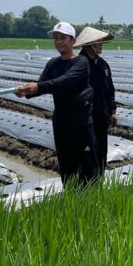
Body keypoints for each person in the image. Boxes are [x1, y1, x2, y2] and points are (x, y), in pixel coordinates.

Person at [17, 22, 100, 186]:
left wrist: (38, 86)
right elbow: (43, 85)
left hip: (81, 124)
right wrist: (26, 91)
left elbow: (64, 82)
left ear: (73, 41)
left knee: (88, 166)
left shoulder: (81, 62)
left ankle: (93, 203)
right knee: (66, 165)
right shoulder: (53, 64)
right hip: (61, 123)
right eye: (56, 38)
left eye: (63, 38)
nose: (59, 41)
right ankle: (70, 198)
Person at [75, 26, 117, 175]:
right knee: (86, 154)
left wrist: (112, 111)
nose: (101, 45)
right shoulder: (78, 64)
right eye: (98, 42)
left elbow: (110, 90)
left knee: (101, 153)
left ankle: (99, 184)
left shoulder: (103, 65)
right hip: (85, 119)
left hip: (101, 117)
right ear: (90, 44)